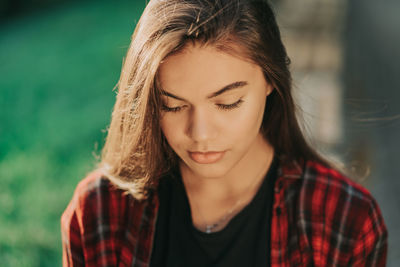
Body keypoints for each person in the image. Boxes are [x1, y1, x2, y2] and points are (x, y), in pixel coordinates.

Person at [61, 0, 388, 266]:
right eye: (172, 106)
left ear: (271, 81)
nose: (200, 133)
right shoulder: (99, 213)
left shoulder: (344, 219)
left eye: (228, 102)